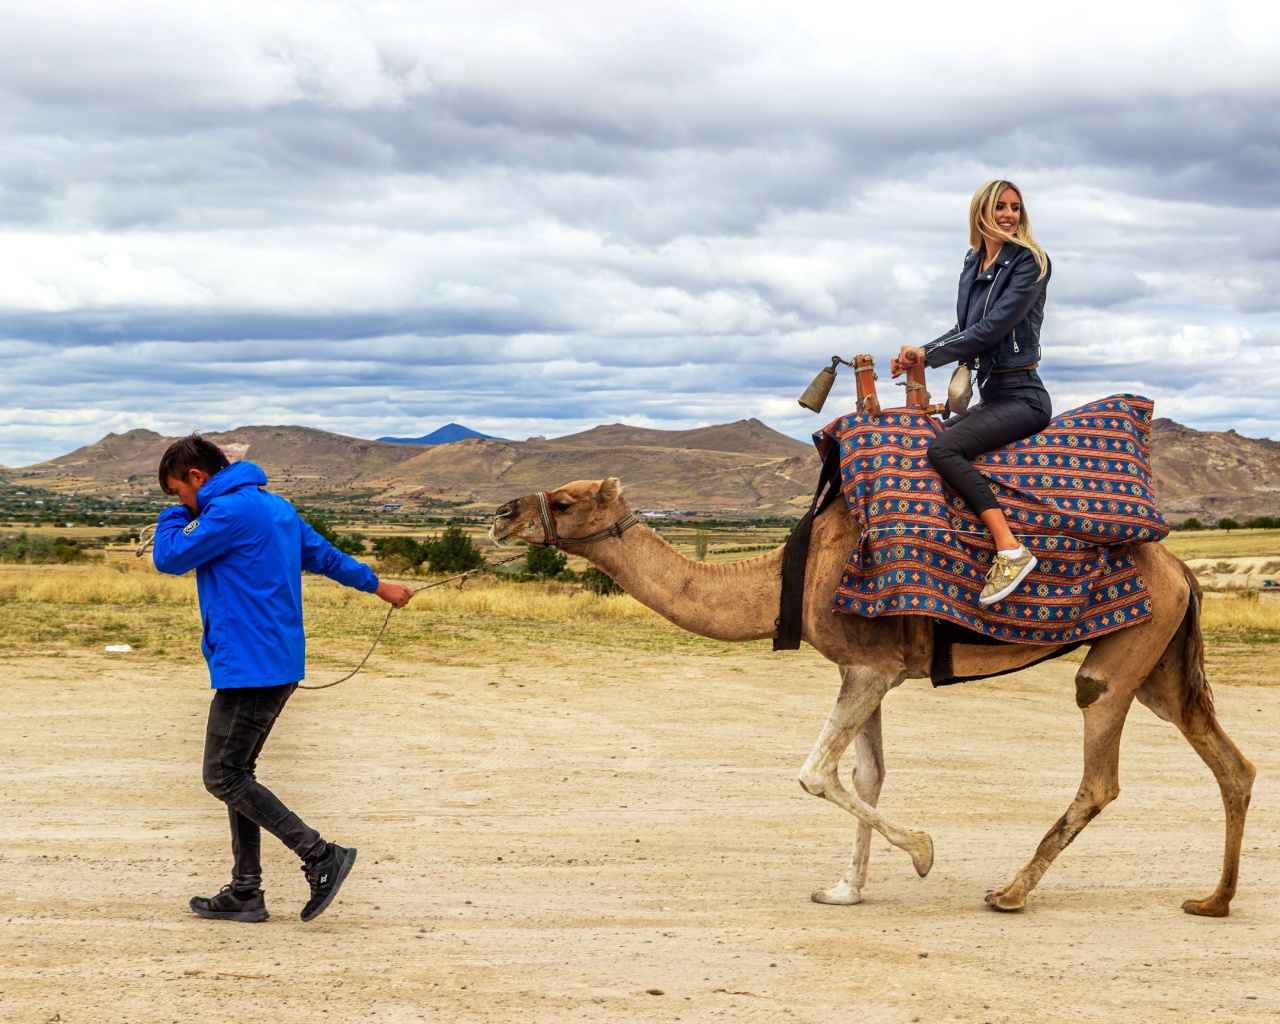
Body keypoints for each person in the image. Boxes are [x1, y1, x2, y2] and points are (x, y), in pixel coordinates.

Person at [151, 435, 413, 923]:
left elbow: (168, 557)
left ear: (196, 478)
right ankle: (245, 892)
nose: (179, 503)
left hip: (251, 665)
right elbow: (325, 557)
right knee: (237, 775)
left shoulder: (227, 513)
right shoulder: (276, 508)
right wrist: (378, 585)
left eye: (177, 493)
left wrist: (175, 518)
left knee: (222, 775)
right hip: (274, 661)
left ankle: (320, 855)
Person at [891, 179, 1052, 606]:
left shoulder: (1030, 262)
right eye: (1000, 207)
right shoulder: (973, 262)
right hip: (992, 394)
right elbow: (966, 330)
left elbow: (994, 328)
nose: (1009, 215)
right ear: (980, 212)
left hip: (1023, 396)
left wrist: (927, 353)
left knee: (944, 451)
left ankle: (1010, 550)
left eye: (1015, 207)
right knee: (926, 438)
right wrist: (917, 356)